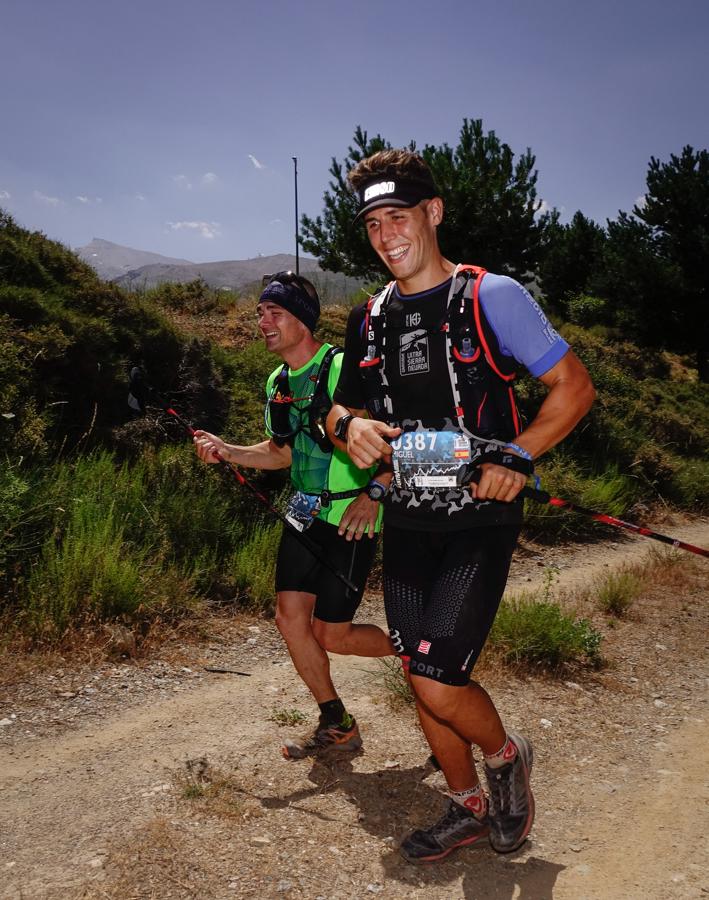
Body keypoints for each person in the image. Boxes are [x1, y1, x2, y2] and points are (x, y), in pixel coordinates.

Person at [326, 150, 596, 862]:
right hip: (408, 519)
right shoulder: (369, 318)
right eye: (373, 224)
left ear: (432, 214)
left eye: (399, 218)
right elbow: (342, 406)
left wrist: (516, 455)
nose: (386, 236)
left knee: (435, 673)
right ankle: (466, 802)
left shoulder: (490, 295)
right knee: (419, 674)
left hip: (479, 520)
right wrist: (344, 426)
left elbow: (572, 388)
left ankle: (505, 759)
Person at [193, 272, 392, 759]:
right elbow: (281, 453)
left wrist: (376, 493)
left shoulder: (344, 367)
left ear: (302, 321)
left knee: (333, 633)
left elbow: (393, 437)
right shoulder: (279, 382)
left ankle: (422, 658)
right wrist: (229, 451)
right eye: (260, 312)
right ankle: (337, 722)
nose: (262, 322)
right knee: (289, 619)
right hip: (303, 514)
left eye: (273, 313)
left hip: (351, 516)